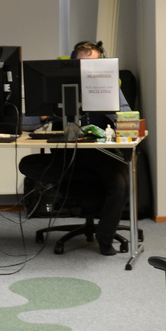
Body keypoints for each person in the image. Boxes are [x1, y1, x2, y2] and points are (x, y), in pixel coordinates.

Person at [18, 41, 138, 255]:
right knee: (28, 164)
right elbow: (25, 125)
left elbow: (129, 123)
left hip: (101, 153)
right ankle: (87, 186)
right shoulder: (56, 86)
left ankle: (105, 239)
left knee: (120, 183)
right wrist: (44, 113)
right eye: (82, 65)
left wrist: (108, 105)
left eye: (94, 65)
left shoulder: (109, 85)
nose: (87, 70)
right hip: (66, 154)